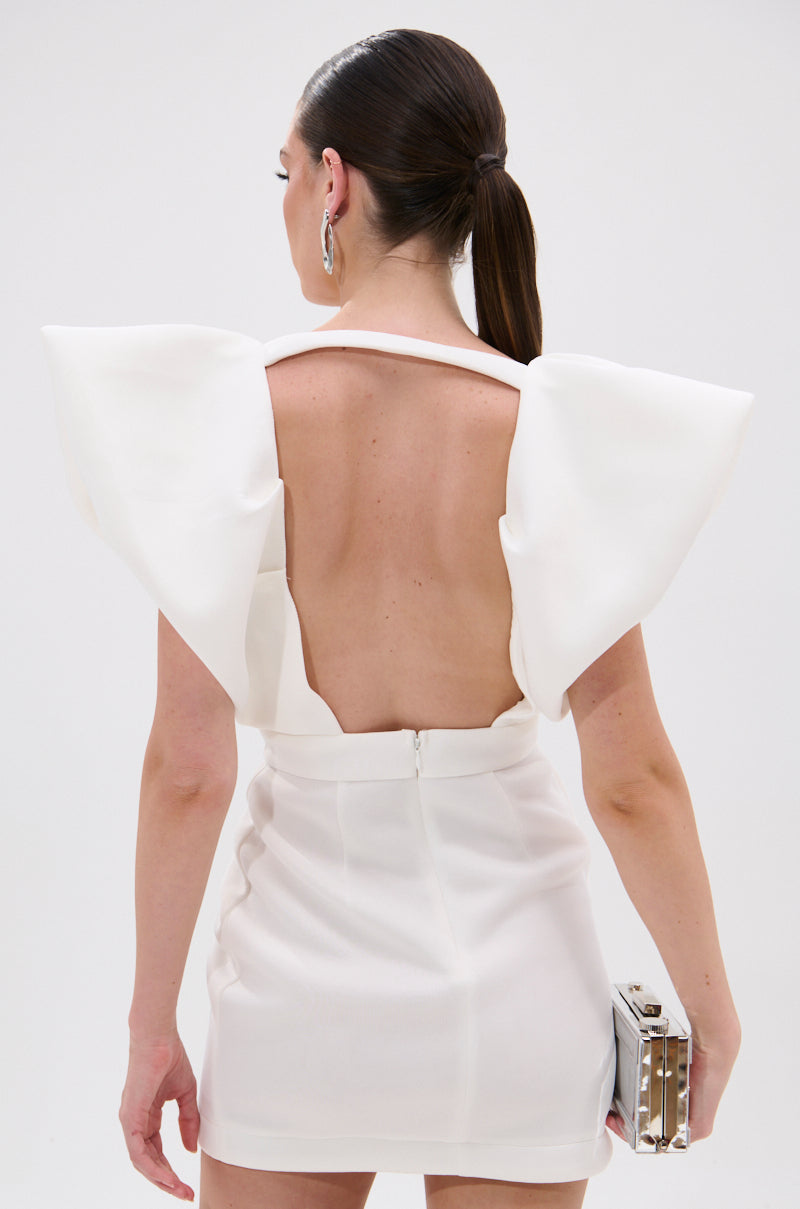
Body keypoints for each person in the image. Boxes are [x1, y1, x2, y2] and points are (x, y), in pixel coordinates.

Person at [41, 28, 752, 1209]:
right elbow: (631, 777)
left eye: (285, 173)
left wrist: (148, 1027)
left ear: (333, 183)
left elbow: (185, 770)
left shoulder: (230, 423)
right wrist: (711, 1009)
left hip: (295, 999)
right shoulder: (548, 433)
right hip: (518, 1002)